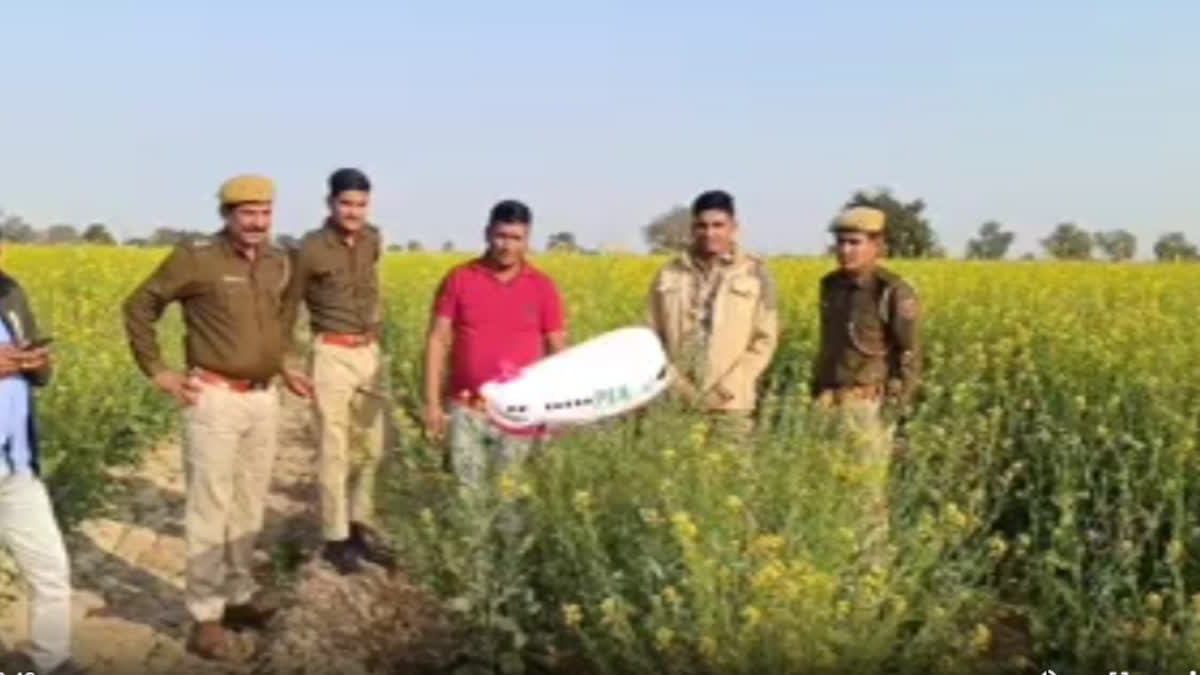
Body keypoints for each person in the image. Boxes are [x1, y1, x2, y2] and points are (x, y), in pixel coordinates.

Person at [122, 174, 305, 660]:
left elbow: (278, 322)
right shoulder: (197, 257)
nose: (257, 222)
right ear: (226, 215)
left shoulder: (277, 260)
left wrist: (285, 364)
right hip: (215, 399)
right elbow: (140, 305)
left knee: (248, 505)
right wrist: (158, 371)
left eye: (265, 212)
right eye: (247, 213)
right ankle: (205, 614)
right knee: (210, 508)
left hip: (263, 400)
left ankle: (239, 596)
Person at [280, 168, 393, 576]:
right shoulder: (309, 248)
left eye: (361, 205)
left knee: (375, 445)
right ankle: (334, 537)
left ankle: (359, 524)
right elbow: (289, 304)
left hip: (369, 353)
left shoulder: (373, 240)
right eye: (346, 203)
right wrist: (286, 361)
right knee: (334, 447)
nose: (354, 212)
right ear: (330, 203)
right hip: (330, 352)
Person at [422, 199, 567, 493]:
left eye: (516, 238)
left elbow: (557, 349)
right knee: (467, 497)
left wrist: (558, 410)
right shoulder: (460, 279)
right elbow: (437, 340)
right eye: (501, 236)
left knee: (510, 500)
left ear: (527, 239)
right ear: (487, 233)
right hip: (467, 406)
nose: (507, 245)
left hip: (521, 410)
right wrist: (433, 404)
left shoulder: (542, 286)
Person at [810, 205, 921, 560]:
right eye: (840, 242)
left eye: (855, 242)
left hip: (866, 406)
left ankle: (872, 578)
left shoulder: (892, 291)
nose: (845, 250)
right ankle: (837, 566)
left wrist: (893, 413)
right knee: (828, 492)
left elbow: (909, 356)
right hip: (828, 402)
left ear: (878, 245)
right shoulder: (830, 286)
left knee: (866, 500)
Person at [644, 189, 779, 445]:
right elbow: (651, 338)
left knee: (726, 477)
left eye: (718, 225)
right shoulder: (669, 273)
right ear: (692, 228)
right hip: (677, 401)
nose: (710, 233)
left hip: (731, 403)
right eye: (702, 226)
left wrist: (725, 388)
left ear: (733, 227)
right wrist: (677, 384)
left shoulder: (755, 273)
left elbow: (764, 341)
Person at [0, 260, 80, 674]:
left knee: (50, 568)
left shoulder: (9, 290)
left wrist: (36, 363)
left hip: (16, 460)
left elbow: (41, 372)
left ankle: (51, 662)